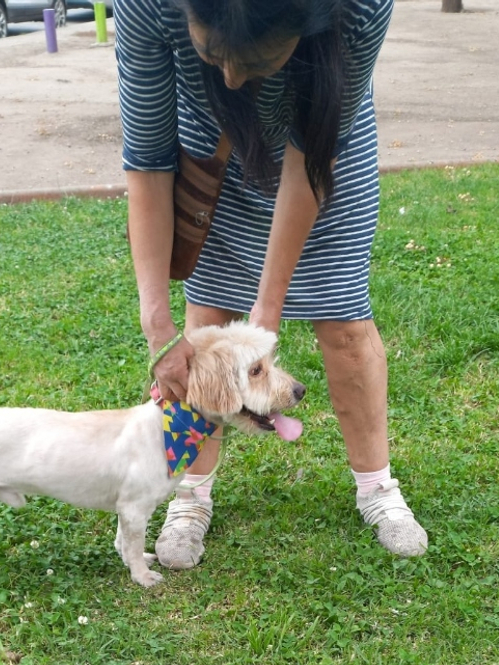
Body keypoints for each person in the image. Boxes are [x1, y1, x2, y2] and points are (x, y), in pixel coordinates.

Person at [113, 0, 428, 569]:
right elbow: (148, 158)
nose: (231, 76)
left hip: (323, 153)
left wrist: (267, 311)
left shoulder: (357, 8)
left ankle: (377, 488)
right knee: (204, 329)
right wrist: (157, 324)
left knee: (345, 326)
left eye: (256, 59)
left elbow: (311, 155)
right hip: (210, 160)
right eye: (211, 53)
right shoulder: (146, 5)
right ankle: (189, 495)